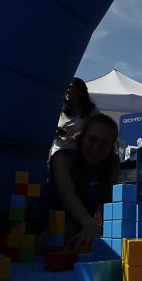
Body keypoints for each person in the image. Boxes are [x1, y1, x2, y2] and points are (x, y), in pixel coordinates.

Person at [28, 114, 120, 252]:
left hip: (80, 228)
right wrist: (89, 223)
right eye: (92, 139)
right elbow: (68, 195)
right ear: (82, 138)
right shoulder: (63, 158)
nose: (96, 147)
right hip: (43, 225)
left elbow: (108, 204)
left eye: (105, 143)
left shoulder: (112, 164)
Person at [50, 77, 100, 157]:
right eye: (66, 87)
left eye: (70, 87)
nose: (67, 89)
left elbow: (100, 129)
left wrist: (85, 134)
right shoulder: (59, 108)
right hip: (58, 154)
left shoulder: (91, 110)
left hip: (80, 157)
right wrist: (56, 132)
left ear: (81, 90)